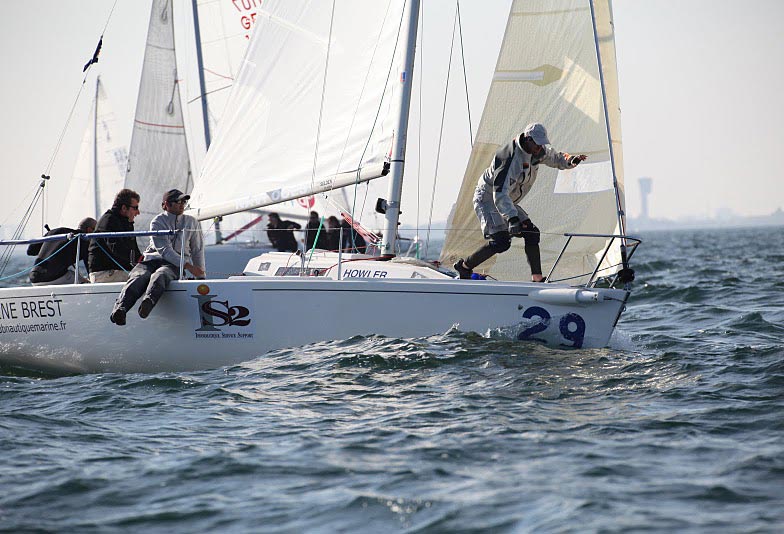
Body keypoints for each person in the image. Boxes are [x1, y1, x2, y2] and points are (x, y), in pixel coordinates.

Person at [453, 122, 587, 282]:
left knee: (532, 233)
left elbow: (555, 157)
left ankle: (537, 279)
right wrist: (512, 218)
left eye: (541, 145)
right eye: (537, 144)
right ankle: (464, 267)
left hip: (507, 200)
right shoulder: (509, 158)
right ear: (528, 139)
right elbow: (500, 193)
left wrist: (571, 160)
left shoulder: (538, 151)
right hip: (489, 198)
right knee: (501, 242)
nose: (540, 148)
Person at [110, 189, 205, 325]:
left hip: (173, 265)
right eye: (178, 201)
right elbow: (165, 250)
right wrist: (188, 266)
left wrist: (201, 278)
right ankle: (120, 309)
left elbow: (198, 250)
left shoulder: (192, 222)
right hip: (151, 261)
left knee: (161, 275)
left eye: (184, 201)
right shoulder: (157, 222)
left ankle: (148, 303)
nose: (182, 204)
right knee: (139, 276)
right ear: (166, 204)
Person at [88, 188, 143, 283]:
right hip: (104, 274)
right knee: (146, 278)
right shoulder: (109, 221)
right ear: (124, 208)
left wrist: (144, 260)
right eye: (135, 208)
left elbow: (133, 250)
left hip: (116, 271)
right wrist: (139, 261)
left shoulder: (126, 222)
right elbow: (117, 249)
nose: (138, 213)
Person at [27, 217, 96, 285]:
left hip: (34, 278)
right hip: (52, 278)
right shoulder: (85, 241)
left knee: (72, 274)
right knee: (86, 283)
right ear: (89, 230)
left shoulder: (54, 232)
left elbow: (31, 251)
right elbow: (91, 268)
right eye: (95, 232)